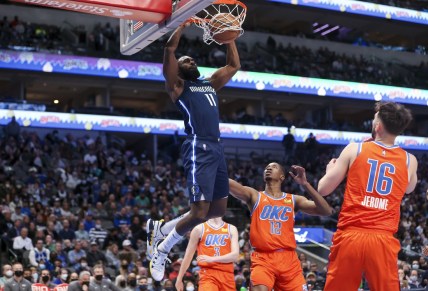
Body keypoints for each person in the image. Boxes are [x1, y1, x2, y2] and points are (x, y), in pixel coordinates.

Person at [147, 21, 240, 282]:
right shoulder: (177, 86)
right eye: (184, 59)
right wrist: (181, 24)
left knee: (216, 210)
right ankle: (162, 250)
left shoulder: (209, 83)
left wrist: (229, 37)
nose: (189, 60)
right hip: (198, 146)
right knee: (199, 212)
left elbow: (234, 66)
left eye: (191, 59)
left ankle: (161, 228)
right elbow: (169, 50)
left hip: (217, 148)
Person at [317, 102, 418, 291]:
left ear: (377, 126)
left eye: (374, 118)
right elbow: (409, 189)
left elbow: (323, 189)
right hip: (382, 238)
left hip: (351, 235)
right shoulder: (409, 160)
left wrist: (330, 170)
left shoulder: (355, 149)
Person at [229, 162, 333, 290]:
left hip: (289, 260)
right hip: (263, 258)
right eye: (267, 167)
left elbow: (326, 211)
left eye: (274, 167)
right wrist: (214, 165)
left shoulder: (294, 200)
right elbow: (230, 184)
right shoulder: (255, 196)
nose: (268, 168)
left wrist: (305, 184)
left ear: (282, 177)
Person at [175, 217, 239, 291]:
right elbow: (188, 256)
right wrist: (179, 279)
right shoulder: (199, 229)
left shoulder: (231, 228)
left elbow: (235, 256)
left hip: (227, 274)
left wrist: (212, 259)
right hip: (208, 274)